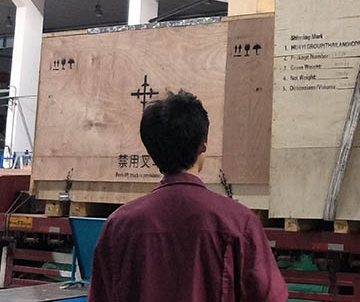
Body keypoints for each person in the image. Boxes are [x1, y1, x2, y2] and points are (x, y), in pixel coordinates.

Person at [88, 90, 288, 302]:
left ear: (152, 152)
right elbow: (269, 297)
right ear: (202, 146)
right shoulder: (239, 222)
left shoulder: (118, 226)